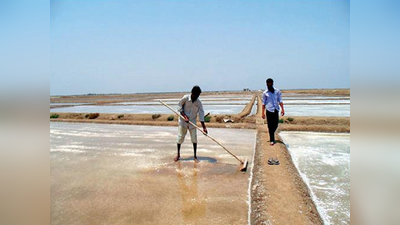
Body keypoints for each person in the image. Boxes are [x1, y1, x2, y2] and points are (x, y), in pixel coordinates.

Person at [175, 85, 208, 162]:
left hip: (192, 122)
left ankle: (195, 156)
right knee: (180, 138)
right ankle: (178, 154)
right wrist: (184, 116)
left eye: (198, 95)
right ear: (192, 93)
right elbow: (179, 106)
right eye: (197, 95)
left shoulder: (198, 102)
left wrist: (204, 127)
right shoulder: (185, 98)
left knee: (194, 139)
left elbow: (201, 114)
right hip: (183, 121)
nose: (197, 97)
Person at [262, 78, 285, 146]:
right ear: (266, 84)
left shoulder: (277, 91)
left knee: (276, 124)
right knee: (270, 125)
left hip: (275, 109)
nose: (269, 85)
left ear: (272, 83)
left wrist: (282, 109)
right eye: (268, 84)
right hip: (269, 110)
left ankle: (272, 133)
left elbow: (280, 100)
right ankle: (272, 139)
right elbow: (263, 103)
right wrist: (262, 113)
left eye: (270, 83)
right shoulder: (265, 93)